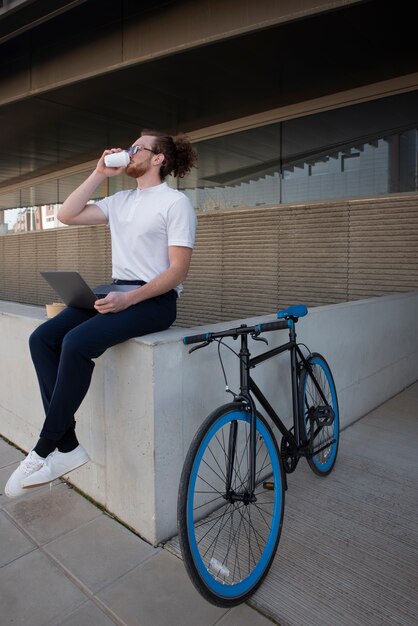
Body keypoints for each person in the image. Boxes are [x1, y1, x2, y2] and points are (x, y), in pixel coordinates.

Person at [5, 129, 197, 498]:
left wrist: (132, 299)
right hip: (116, 289)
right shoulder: (121, 199)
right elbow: (66, 214)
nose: (129, 152)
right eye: (130, 147)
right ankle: (69, 447)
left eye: (137, 148)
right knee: (43, 338)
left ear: (158, 159)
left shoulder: (175, 204)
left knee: (76, 342)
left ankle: (44, 448)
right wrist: (98, 174)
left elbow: (177, 271)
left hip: (154, 299)